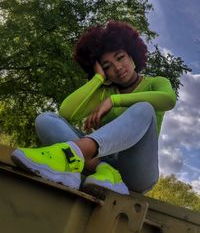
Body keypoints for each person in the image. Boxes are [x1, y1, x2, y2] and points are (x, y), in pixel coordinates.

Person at [11, 21, 176, 195]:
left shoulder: (156, 82)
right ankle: (103, 170)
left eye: (120, 58)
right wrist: (97, 79)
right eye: (107, 66)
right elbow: (66, 113)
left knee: (144, 108)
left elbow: (168, 100)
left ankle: (72, 155)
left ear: (132, 57)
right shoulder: (104, 91)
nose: (117, 68)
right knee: (46, 120)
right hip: (99, 164)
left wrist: (115, 100)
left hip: (136, 173)